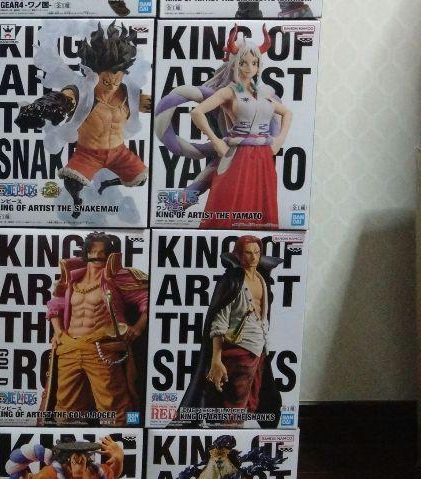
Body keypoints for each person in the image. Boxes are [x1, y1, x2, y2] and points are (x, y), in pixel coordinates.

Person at [157, 25, 292, 229]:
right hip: (238, 154)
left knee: (260, 204)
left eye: (254, 63)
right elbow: (197, 112)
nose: (249, 68)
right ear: (235, 64)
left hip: (263, 156)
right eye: (243, 63)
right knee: (228, 200)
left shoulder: (264, 92)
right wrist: (216, 141)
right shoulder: (230, 91)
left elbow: (287, 113)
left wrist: (279, 140)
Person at [16, 21, 151, 217]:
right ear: (93, 74)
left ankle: (107, 183)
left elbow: (154, 105)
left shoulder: (128, 93)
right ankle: (77, 201)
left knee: (141, 179)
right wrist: (47, 106)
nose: (112, 86)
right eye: (106, 81)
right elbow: (65, 97)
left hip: (119, 152)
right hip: (88, 153)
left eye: (117, 80)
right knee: (72, 183)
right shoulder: (83, 92)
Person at [40, 233, 149, 425]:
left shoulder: (117, 278)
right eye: (93, 251)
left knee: (114, 409)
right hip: (69, 349)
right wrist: (58, 331)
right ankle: (69, 440)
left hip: (101, 348)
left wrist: (138, 328)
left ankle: (121, 439)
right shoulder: (72, 279)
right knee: (66, 410)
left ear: (110, 255)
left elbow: (148, 299)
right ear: (86, 253)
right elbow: (55, 305)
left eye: (103, 252)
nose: (97, 256)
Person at [177, 235, 283, 426]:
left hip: (259, 349)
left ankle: (238, 435)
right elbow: (219, 321)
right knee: (234, 405)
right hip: (238, 350)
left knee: (254, 401)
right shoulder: (232, 281)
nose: (253, 257)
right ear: (239, 255)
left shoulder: (262, 279)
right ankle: (229, 436)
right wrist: (216, 359)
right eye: (248, 253)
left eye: (257, 252)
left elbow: (264, 316)